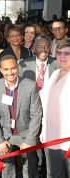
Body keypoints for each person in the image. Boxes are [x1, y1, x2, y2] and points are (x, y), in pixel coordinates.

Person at [0, 55, 42, 178]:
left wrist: (29, 140)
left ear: (17, 68)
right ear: (1, 70)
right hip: (5, 136)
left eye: (13, 68)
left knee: (30, 171)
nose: (10, 72)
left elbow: (36, 115)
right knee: (7, 172)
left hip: (26, 134)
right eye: (6, 69)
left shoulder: (30, 85)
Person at [40, 40, 70, 178]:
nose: (62, 57)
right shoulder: (54, 74)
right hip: (51, 136)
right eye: (59, 53)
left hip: (68, 139)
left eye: (67, 53)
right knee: (53, 175)